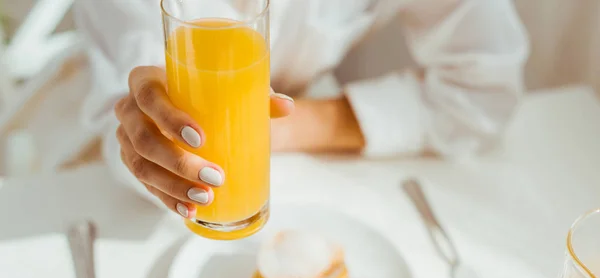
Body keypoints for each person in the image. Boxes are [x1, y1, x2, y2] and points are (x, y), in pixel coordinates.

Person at [74, 0, 528, 217]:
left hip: (289, 167)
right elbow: (133, 117)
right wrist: (148, 135)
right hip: (87, 169)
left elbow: (484, 93)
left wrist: (285, 129)